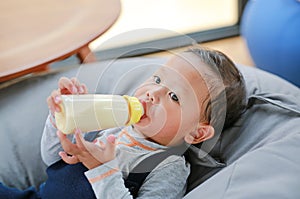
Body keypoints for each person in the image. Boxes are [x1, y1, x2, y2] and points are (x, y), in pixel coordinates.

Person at [0, 46, 246, 199]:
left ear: (196, 133)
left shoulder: (168, 167)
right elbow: (54, 160)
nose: (152, 93)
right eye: (158, 79)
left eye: (174, 96)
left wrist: (103, 170)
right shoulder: (117, 126)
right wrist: (61, 119)